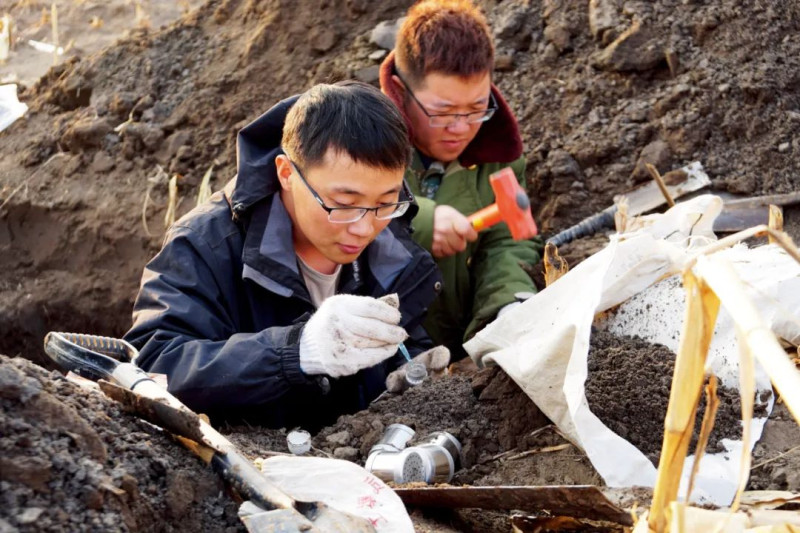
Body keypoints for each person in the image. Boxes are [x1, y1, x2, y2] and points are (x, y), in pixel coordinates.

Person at [124, 82, 448, 431]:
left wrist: (410, 370)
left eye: (385, 202)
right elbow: (152, 364)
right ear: (287, 173)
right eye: (343, 204)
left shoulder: (392, 245)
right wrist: (297, 352)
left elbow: (403, 342)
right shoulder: (205, 245)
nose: (365, 228)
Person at [379, 0, 543, 361]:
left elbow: (508, 241)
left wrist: (508, 306)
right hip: (381, 358)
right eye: (442, 113)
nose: (460, 129)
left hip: (461, 358)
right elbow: (331, 226)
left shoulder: (498, 151)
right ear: (400, 91)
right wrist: (418, 221)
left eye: (475, 109)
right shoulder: (360, 143)